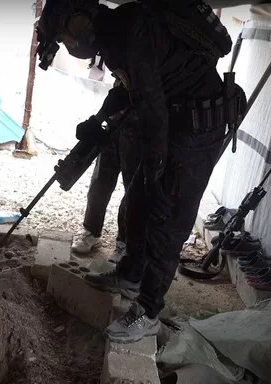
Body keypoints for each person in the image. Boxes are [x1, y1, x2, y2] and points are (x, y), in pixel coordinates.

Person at [37, 0, 243, 343]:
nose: (69, 44)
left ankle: (147, 311)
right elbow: (128, 90)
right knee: (137, 203)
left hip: (197, 128)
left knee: (167, 219)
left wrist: (155, 172)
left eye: (66, 33)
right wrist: (97, 119)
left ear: (81, 19)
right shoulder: (115, 32)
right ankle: (130, 276)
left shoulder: (129, 31)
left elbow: (152, 110)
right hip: (174, 118)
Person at [71, 104, 140, 264]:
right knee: (99, 185)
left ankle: (123, 243)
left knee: (132, 192)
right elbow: (117, 92)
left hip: (139, 134)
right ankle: (91, 232)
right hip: (113, 128)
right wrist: (98, 120)